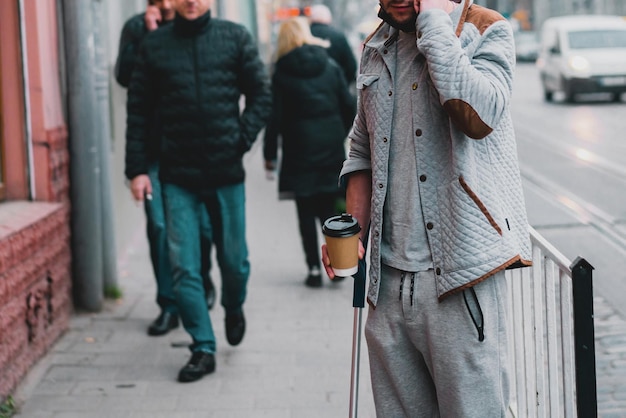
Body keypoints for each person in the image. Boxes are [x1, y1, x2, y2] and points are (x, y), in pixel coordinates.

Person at [321, 0, 533, 415]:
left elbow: (479, 116)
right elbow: (362, 148)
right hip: (388, 285)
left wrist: (435, 22)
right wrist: (350, 230)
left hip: (459, 280)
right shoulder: (376, 45)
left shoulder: (485, 29)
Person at [125, 0, 271, 382]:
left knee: (235, 261)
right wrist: (137, 170)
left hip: (226, 173)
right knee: (183, 266)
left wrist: (240, 139)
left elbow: (261, 93)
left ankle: (234, 305)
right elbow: (137, 110)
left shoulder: (234, 37)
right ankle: (202, 346)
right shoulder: (154, 47)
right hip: (177, 176)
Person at [116, 0, 217, 339]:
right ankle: (169, 304)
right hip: (156, 153)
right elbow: (124, 75)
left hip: (195, 150)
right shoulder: (137, 26)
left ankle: (200, 281)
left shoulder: (200, 24)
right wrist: (150, 34)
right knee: (160, 228)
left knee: (202, 229)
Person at [263, 17, 356, 288]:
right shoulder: (330, 65)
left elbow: (275, 118)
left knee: (305, 209)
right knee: (329, 208)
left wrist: (270, 154)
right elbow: (349, 105)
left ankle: (314, 269)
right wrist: (339, 133)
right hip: (329, 147)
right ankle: (339, 264)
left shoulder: (281, 73)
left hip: (297, 149)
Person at [308, 4, 358, 86]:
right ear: (329, 18)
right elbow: (351, 66)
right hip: (334, 88)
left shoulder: (302, 36)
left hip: (307, 89)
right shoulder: (339, 36)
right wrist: (342, 84)